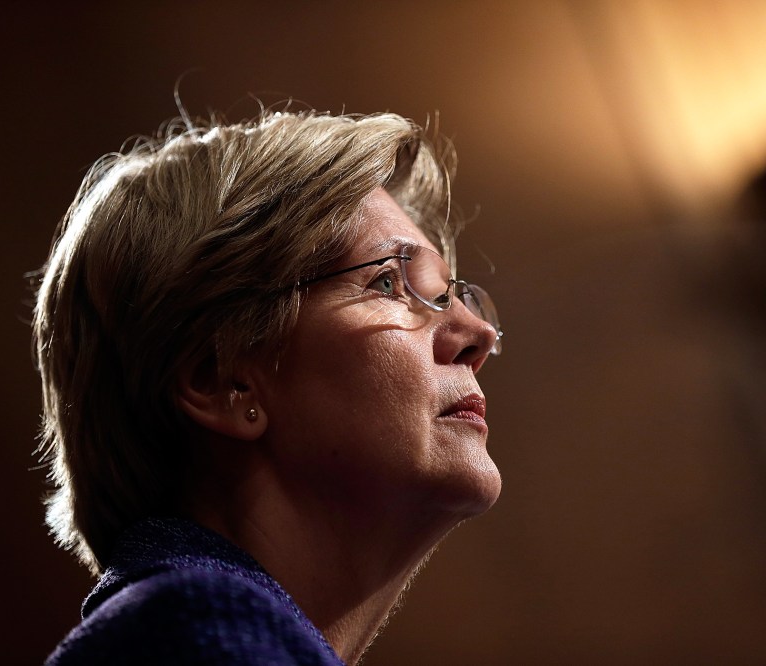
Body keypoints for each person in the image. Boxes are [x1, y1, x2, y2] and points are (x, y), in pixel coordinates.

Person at [32, 109, 504, 664]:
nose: (478, 334)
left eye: (451, 293)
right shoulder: (194, 628)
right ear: (223, 381)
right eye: (389, 283)